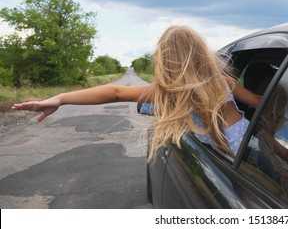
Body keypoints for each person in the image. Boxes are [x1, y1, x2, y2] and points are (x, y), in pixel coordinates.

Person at [12, 25, 261, 160]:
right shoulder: (222, 82)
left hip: (227, 159)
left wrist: (60, 98)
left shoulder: (170, 91)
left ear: (166, 59)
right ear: (200, 53)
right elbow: (259, 103)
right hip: (249, 147)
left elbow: (115, 92)